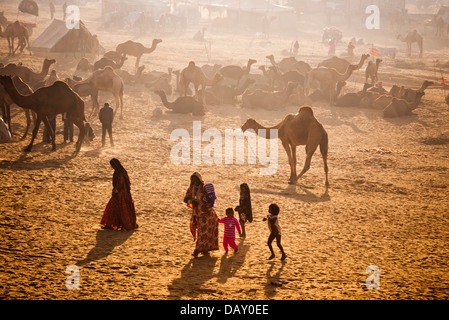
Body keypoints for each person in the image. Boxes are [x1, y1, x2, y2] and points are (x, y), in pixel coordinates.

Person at [184, 172, 219, 257]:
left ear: (199, 179)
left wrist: (206, 201)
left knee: (203, 232)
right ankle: (204, 249)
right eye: (193, 179)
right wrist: (191, 201)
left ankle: (197, 250)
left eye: (196, 179)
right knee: (202, 232)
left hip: (207, 213)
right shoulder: (191, 188)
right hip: (197, 213)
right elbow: (185, 199)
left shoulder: (204, 188)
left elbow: (213, 197)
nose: (195, 181)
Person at [100, 158, 137, 231]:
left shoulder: (121, 172)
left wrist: (116, 190)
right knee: (115, 208)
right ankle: (111, 224)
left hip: (121, 194)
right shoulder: (120, 171)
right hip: (121, 193)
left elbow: (121, 182)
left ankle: (114, 224)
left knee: (120, 208)